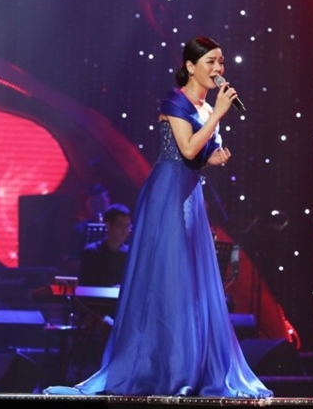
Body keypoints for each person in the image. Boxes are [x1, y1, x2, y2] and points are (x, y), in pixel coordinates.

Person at [43, 36, 272, 398]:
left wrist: (214, 157)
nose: (218, 69)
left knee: (189, 282)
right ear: (191, 66)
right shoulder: (175, 101)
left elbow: (200, 156)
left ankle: (189, 364)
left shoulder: (204, 106)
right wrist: (217, 115)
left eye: (221, 62)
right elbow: (186, 149)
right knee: (168, 277)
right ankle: (162, 368)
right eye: (211, 62)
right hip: (167, 194)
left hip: (190, 194)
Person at [78, 203, 132, 289]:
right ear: (108, 225)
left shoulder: (129, 254)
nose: (125, 230)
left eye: (127, 226)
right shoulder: (92, 252)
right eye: (120, 225)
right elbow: (87, 285)